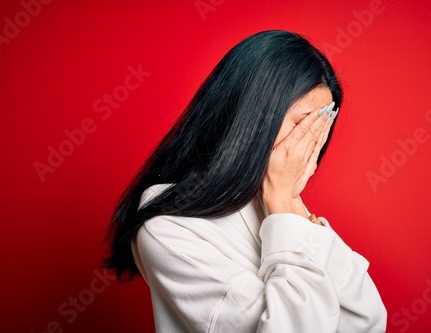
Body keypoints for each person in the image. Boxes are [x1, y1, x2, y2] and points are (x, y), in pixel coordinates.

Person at [103, 30, 387, 332]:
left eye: (323, 126)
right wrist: (281, 202)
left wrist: (290, 205)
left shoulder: (283, 206)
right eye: (305, 124)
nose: (312, 142)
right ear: (253, 115)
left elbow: (366, 319)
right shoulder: (166, 228)